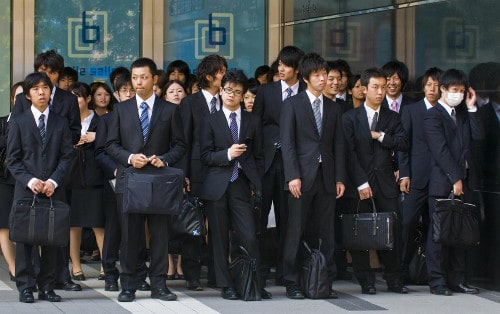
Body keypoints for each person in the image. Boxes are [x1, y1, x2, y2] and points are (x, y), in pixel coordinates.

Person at [106, 57, 186, 302]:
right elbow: (110, 145)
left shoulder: (170, 110)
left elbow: (180, 145)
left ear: (154, 80)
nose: (138, 82)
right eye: (134, 77)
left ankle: (159, 284)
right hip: (130, 180)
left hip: (159, 181)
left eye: (143, 77)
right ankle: (129, 284)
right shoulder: (121, 109)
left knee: (160, 234)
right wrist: (130, 158)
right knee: (130, 235)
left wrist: (165, 159)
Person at [12, 49, 82, 292]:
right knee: (27, 235)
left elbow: (71, 138)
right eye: (41, 74)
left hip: (57, 177)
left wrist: (54, 178)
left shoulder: (67, 100)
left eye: (50, 74)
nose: (43, 85)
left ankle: (53, 281)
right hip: (28, 180)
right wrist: (31, 178)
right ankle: (27, 285)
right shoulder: (22, 102)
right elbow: (18, 141)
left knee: (55, 233)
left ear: (57, 75)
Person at [199, 70, 269, 300]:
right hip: (217, 185)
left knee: (249, 235)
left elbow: (259, 156)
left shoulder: (252, 120)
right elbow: (205, 156)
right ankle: (225, 284)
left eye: (237, 92)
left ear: (243, 95)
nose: (232, 95)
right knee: (218, 238)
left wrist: (255, 183)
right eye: (228, 90)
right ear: (221, 91)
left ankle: (253, 282)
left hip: (241, 183)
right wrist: (227, 154)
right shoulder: (210, 120)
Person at [280, 52, 345, 300]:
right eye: (317, 75)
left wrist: (339, 178)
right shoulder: (292, 105)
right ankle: (292, 281)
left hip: (327, 177)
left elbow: (338, 145)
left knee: (326, 231)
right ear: (306, 77)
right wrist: (292, 176)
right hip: (301, 178)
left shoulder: (333, 107)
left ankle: (324, 280)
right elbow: (287, 144)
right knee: (296, 229)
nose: (323, 79)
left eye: (324, 74)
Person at [342, 67, 409, 295]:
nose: (380, 92)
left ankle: (394, 279)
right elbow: (348, 153)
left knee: (392, 232)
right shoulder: (350, 118)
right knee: (360, 234)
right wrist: (361, 183)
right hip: (359, 185)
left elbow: (402, 142)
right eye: (375, 87)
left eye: (383, 87)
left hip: (386, 185)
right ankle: (366, 281)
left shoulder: (392, 116)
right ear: (364, 89)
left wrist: (381, 136)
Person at [423, 69, 483, 296]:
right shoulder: (433, 115)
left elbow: (477, 137)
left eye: (461, 90)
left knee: (460, 234)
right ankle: (437, 281)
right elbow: (440, 151)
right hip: (442, 183)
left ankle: (458, 279)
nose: (458, 94)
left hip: (465, 183)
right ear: (443, 90)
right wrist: (455, 178)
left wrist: (471, 107)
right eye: (454, 90)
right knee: (439, 235)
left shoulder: (464, 114)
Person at [252, 45, 305, 286]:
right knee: (261, 219)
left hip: (293, 167)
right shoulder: (267, 91)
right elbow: (256, 126)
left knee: (288, 221)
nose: (280, 68)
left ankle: (286, 272)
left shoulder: (305, 92)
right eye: (279, 64)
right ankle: (261, 271)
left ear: (297, 68)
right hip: (267, 163)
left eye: (286, 65)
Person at [95, 72, 149, 293]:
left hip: (140, 183)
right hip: (115, 182)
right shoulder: (108, 119)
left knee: (136, 230)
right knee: (114, 230)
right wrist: (116, 170)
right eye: (124, 90)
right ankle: (109, 273)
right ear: (116, 94)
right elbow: (100, 151)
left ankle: (138, 274)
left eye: (131, 89)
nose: (128, 93)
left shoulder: (145, 116)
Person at [179, 54, 227, 291]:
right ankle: (192, 275)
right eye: (221, 71)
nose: (225, 74)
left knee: (218, 226)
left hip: (223, 172)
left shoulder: (228, 101)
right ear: (209, 76)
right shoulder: (190, 103)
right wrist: (184, 174)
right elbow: (184, 142)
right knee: (194, 226)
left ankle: (218, 275)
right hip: (197, 172)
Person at [398, 67, 442, 279]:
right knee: (407, 223)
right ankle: (402, 269)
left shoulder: (446, 111)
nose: (432, 88)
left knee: (435, 227)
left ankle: (429, 273)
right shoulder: (411, 110)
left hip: (440, 180)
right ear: (423, 87)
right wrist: (405, 174)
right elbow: (404, 145)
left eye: (436, 84)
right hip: (416, 178)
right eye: (428, 84)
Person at [67, 82, 106, 282]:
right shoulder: (65, 121)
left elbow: (113, 142)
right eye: (71, 96)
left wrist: (96, 137)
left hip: (95, 177)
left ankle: (105, 266)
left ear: (88, 98)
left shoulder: (101, 120)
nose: (75, 101)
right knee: (74, 225)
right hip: (72, 178)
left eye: (79, 96)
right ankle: (75, 266)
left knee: (99, 223)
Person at [162, 79, 188, 281]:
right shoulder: (163, 115)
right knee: (167, 222)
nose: (176, 94)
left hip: (185, 171)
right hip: (166, 172)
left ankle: (182, 264)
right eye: (172, 91)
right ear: (165, 96)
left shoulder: (190, 116)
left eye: (180, 90)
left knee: (185, 220)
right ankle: (170, 264)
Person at [0, 82, 24, 281]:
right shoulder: (1, 123)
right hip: (4, 179)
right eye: (18, 97)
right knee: (4, 225)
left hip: (29, 180)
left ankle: (33, 265)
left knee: (32, 223)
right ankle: (13, 266)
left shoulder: (39, 123)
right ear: (12, 100)